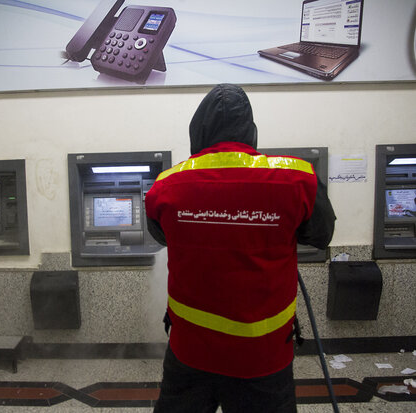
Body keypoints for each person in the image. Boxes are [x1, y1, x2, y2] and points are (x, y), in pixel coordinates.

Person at [144, 84, 336, 413]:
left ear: (198, 130)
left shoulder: (165, 186)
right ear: (250, 130)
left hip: (190, 352)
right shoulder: (297, 178)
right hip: (262, 358)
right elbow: (320, 235)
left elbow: (163, 238)